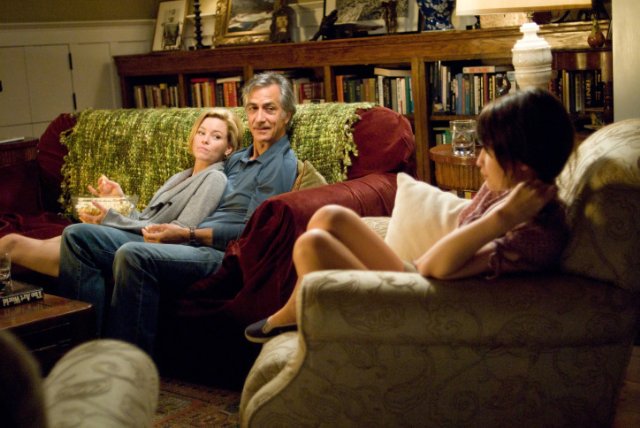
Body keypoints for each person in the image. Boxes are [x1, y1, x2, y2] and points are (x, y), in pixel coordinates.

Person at [245, 87, 575, 343]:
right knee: (330, 216)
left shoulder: (534, 232)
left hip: (424, 299)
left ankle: (314, 323)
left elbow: (433, 268)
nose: (477, 161)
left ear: (521, 165)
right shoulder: (510, 188)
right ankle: (297, 310)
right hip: (417, 276)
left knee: (311, 246)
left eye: (487, 152)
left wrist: (501, 219)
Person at [57, 72, 299, 355]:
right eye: (253, 108)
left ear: (287, 115)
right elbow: (186, 197)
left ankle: (127, 364)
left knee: (134, 255)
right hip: (188, 241)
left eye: (270, 109)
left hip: (219, 255)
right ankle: (82, 354)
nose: (260, 118)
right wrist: (123, 205)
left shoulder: (279, 165)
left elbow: (252, 233)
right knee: (77, 236)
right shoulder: (237, 159)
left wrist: (188, 233)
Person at [0, 108, 241, 278]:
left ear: (228, 148)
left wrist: (110, 219)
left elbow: (177, 231)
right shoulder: (181, 176)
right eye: (202, 132)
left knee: (20, 242)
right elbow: (145, 219)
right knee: (23, 241)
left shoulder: (215, 179)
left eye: (216, 136)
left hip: (155, 246)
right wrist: (120, 201)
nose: (205, 140)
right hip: (138, 235)